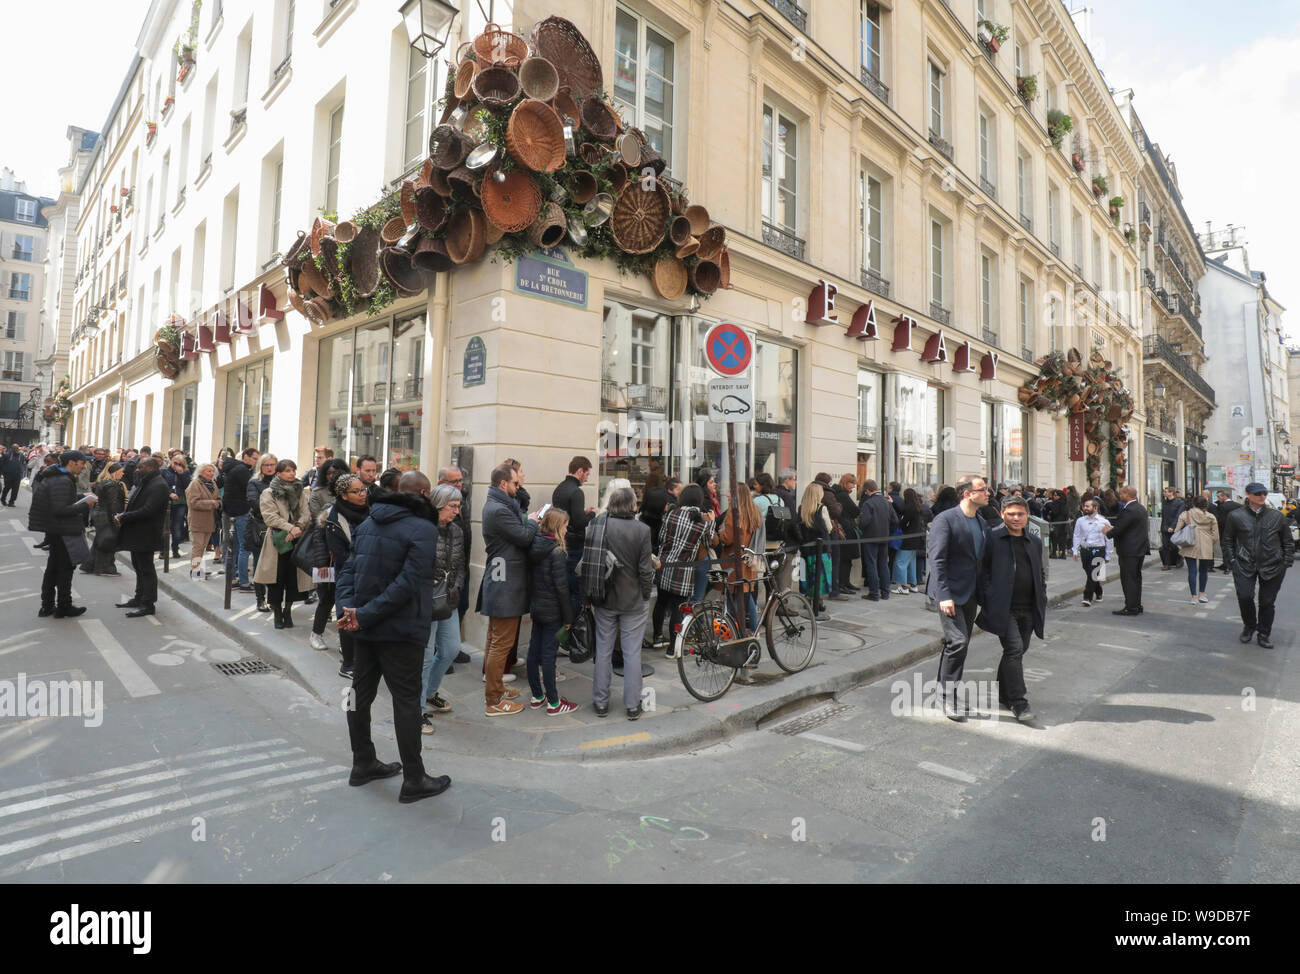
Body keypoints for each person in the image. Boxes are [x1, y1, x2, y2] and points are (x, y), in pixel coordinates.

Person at [336, 470, 451, 804]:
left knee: (358, 694)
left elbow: (347, 571)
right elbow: (410, 583)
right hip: (398, 630)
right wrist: (361, 614)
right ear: (425, 494)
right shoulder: (424, 528)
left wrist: (349, 611)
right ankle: (414, 778)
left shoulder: (369, 523)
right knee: (405, 702)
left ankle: (363, 763)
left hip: (365, 626)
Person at [584, 486, 655, 719]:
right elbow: (645, 571)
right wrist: (645, 594)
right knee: (632, 652)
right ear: (632, 505)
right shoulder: (642, 530)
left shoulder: (599, 525)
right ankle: (633, 705)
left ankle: (601, 702)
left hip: (603, 596)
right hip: (633, 598)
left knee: (603, 650)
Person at [478, 461, 540, 717]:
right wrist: (534, 521)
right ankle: (494, 700)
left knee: (496, 640)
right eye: (515, 483)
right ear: (503, 484)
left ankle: (497, 688)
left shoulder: (501, 504)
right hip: (505, 584)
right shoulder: (499, 510)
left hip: (504, 579)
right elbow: (524, 536)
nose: (519, 486)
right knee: (500, 643)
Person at [976, 496, 1045, 723]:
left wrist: (1041, 595)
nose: (1016, 518)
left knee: (1019, 650)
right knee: (1014, 649)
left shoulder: (1034, 541)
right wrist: (989, 596)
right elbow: (982, 571)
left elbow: (1040, 572)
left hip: (1029, 608)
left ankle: (1005, 693)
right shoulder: (993, 538)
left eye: (1020, 514)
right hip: (1004, 608)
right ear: (1003, 514)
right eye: (1011, 514)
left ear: (1027, 516)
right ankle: (1018, 702)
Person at [927, 476, 990, 721]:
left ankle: (948, 693)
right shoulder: (945, 520)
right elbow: (938, 559)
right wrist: (943, 596)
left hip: (971, 592)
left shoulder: (982, 522)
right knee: (958, 642)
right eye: (983, 490)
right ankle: (945, 697)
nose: (988, 493)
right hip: (949, 593)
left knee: (959, 644)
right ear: (967, 494)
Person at [1222, 482, 1294, 648]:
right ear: (1248, 495)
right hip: (1244, 563)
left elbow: (1287, 541)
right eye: (1257, 494)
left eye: (1264, 493)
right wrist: (1232, 561)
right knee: (1245, 596)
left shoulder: (1277, 516)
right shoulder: (1236, 516)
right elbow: (1227, 541)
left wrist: (1286, 562)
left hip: (1273, 564)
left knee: (1267, 602)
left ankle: (1264, 633)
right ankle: (1249, 626)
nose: (1262, 496)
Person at [419, 483, 466, 724]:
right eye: (452, 506)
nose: (456, 511)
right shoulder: (423, 528)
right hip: (426, 600)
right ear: (438, 505)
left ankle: (429, 693)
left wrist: (456, 584)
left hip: (448, 600)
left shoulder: (457, 530)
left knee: (450, 649)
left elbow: (461, 564)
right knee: (426, 656)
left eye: (458, 506)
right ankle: (417, 711)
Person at [526, 507, 579, 715]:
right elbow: (562, 589)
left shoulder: (535, 545)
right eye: (565, 525)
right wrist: (568, 618)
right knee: (548, 656)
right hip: (552, 611)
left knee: (533, 652)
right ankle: (554, 703)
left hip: (537, 606)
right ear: (558, 526)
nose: (567, 530)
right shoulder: (556, 552)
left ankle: (537, 696)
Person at [30, 450, 95, 618]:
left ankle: (47, 606)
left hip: (56, 529)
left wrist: (81, 496)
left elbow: (62, 500)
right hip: (63, 530)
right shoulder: (62, 480)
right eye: (81, 463)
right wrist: (85, 505)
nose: (83, 467)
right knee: (64, 569)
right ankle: (63, 607)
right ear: (72, 463)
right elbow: (60, 509)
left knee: (53, 568)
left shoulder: (58, 477)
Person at [652, 483, 714, 651]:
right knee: (677, 609)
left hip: (664, 565)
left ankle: (656, 637)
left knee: (661, 603)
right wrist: (712, 523)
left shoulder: (672, 514)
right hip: (683, 571)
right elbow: (709, 543)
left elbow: (662, 538)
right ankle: (673, 649)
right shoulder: (700, 522)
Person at [320, 473, 368, 678]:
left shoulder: (369, 511)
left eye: (363, 489)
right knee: (347, 616)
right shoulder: (334, 519)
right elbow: (340, 555)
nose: (362, 494)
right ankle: (347, 665)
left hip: (367, 572)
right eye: (356, 491)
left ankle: (360, 658)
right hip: (347, 575)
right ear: (344, 495)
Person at [255, 459, 313, 630]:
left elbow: (306, 512)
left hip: (297, 538)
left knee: (294, 579)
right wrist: (290, 528)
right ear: (278, 473)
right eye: (287, 471)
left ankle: (288, 610)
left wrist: (299, 526)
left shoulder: (300, 491)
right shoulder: (269, 492)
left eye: (293, 470)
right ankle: (278, 613)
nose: (292, 474)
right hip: (278, 540)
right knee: (276, 579)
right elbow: (270, 517)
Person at [114, 456, 169, 617]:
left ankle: (148, 603)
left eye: (141, 467)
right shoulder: (147, 481)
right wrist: (124, 515)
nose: (137, 470)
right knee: (138, 567)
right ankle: (139, 597)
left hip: (147, 534)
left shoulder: (158, 485)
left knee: (146, 570)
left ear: (151, 468)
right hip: (137, 532)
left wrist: (124, 517)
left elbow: (148, 510)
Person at [715, 482, 764, 634]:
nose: (728, 495)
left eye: (730, 493)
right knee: (746, 594)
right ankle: (754, 629)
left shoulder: (734, 512)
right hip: (748, 560)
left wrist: (718, 533)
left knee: (733, 596)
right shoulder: (754, 511)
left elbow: (728, 538)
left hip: (733, 560)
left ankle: (727, 629)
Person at [552, 456, 595, 618]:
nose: (587, 477)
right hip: (575, 545)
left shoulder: (559, 488)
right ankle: (571, 625)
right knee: (574, 588)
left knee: (562, 585)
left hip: (560, 542)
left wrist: (582, 513)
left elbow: (565, 515)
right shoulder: (577, 492)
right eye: (587, 474)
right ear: (579, 471)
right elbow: (579, 523)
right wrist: (592, 514)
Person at [1102, 485, 1150, 616]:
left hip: (1129, 550)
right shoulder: (1140, 508)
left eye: (1121, 494)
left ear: (1127, 495)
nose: (1119, 496)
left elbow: (1119, 529)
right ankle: (1136, 604)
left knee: (1128, 579)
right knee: (1136, 578)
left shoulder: (1129, 510)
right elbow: (1130, 527)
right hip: (1139, 548)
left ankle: (1131, 607)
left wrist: (1108, 531)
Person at [221, 447, 259, 592]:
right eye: (255, 458)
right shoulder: (242, 470)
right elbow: (250, 488)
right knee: (244, 548)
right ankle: (243, 582)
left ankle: (232, 578)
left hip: (230, 511)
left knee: (234, 547)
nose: (256, 462)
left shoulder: (233, 468)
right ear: (246, 457)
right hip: (240, 512)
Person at [245, 454, 278, 612]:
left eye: (272, 464)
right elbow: (254, 503)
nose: (270, 467)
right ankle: (260, 599)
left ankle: (273, 599)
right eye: (266, 465)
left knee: (276, 565)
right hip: (260, 527)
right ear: (260, 466)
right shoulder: (254, 482)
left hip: (279, 528)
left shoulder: (281, 481)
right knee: (260, 564)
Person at [81, 462, 127, 576]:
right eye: (121, 472)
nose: (123, 474)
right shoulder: (112, 485)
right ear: (115, 473)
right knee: (108, 542)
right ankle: (105, 567)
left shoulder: (103, 482)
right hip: (107, 515)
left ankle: (89, 565)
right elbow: (113, 504)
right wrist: (116, 518)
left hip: (100, 514)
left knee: (100, 540)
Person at [856, 479, 898, 601]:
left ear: (868, 490)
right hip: (884, 537)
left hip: (870, 537)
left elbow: (864, 522)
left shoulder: (868, 503)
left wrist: (859, 524)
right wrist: (888, 532)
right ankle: (885, 593)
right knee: (883, 564)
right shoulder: (886, 502)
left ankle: (874, 593)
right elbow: (895, 521)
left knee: (871, 565)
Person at [1173, 495, 1219, 604]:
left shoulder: (1186, 514)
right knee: (1203, 570)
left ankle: (1194, 596)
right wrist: (1210, 541)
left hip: (1190, 543)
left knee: (1192, 571)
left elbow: (1177, 530)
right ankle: (1202, 594)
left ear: (1194, 503)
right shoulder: (1211, 516)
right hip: (1206, 543)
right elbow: (1216, 535)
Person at [797, 482, 833, 621]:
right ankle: (818, 601)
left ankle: (810, 597)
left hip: (807, 547)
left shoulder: (801, 508)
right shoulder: (821, 508)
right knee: (821, 574)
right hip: (821, 548)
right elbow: (828, 527)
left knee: (808, 573)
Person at [1071, 497, 1114, 606]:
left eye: (1087, 506)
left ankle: (1087, 597)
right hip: (1085, 550)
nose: (1085, 508)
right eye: (1084, 506)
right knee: (1089, 572)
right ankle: (1099, 591)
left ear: (1095, 508)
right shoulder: (1080, 521)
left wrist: (1108, 554)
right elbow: (1076, 535)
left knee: (1094, 574)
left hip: (1099, 549)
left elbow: (1109, 539)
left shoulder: (1104, 521)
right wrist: (1075, 550)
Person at [185, 464, 222, 578]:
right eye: (208, 471)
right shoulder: (195, 484)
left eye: (212, 471)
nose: (211, 473)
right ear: (201, 472)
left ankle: (199, 569)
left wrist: (219, 503)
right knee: (198, 546)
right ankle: (195, 571)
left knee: (203, 546)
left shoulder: (213, 484)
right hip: (197, 520)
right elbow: (193, 503)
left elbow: (217, 498)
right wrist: (211, 503)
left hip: (209, 521)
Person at [829, 474, 861, 594]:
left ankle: (845, 582)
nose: (853, 486)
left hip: (843, 528)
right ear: (846, 483)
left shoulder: (838, 493)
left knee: (846, 559)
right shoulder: (842, 495)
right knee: (845, 559)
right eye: (852, 483)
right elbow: (855, 511)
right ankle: (843, 584)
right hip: (846, 529)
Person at [893, 488, 925, 594]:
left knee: (900, 562)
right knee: (911, 562)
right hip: (916, 538)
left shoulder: (910, 507)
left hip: (909, 538)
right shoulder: (917, 506)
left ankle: (903, 587)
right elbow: (903, 511)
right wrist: (893, 503)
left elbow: (903, 522)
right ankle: (912, 585)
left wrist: (900, 526)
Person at [162, 454, 192, 559]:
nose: (177, 465)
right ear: (172, 462)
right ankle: (163, 550)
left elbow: (188, 486)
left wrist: (182, 474)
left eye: (180, 464)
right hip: (167, 501)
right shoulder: (165, 472)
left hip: (180, 502)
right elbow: (162, 485)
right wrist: (169, 493)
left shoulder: (186, 473)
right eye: (175, 463)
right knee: (165, 526)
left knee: (177, 526)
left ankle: (175, 548)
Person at [1212, 490, 1241, 573]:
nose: (1218, 498)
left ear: (1225, 496)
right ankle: (1230, 564)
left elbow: (1221, 520)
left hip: (1225, 530)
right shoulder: (1238, 505)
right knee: (1234, 546)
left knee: (1225, 547)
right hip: (1236, 530)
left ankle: (1227, 565)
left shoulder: (1223, 506)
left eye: (1219, 496)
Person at [1158, 487, 1185, 571]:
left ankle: (1179, 558)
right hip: (1165, 526)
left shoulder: (1179, 503)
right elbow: (1164, 515)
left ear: (1171, 493)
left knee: (1173, 545)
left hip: (1174, 527)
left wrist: (1173, 527)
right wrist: (1163, 527)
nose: (1164, 493)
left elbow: (1178, 516)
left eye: (1165, 492)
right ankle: (1166, 564)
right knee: (1165, 545)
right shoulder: (1164, 502)